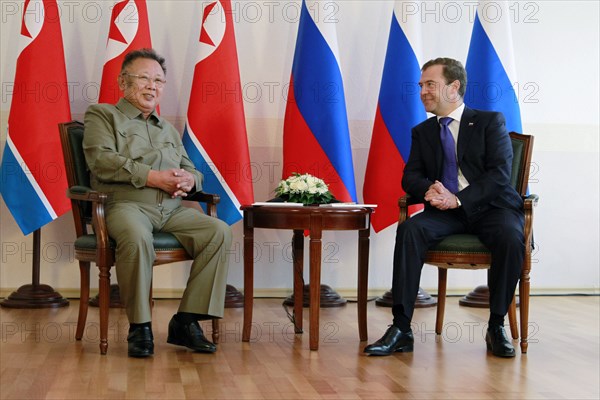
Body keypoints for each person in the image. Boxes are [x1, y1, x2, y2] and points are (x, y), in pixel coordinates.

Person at [364, 58, 524, 358]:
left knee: (511, 237)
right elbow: (409, 176)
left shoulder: (490, 122)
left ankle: (496, 325)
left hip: (492, 209)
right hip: (446, 214)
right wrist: (429, 189)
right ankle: (401, 328)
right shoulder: (423, 131)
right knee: (411, 230)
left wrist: (458, 198)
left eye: (430, 84)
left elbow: (500, 175)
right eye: (421, 85)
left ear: (454, 87)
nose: (423, 91)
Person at [83, 48, 232, 358]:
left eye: (159, 81)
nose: (152, 86)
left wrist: (191, 182)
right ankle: (140, 326)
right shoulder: (102, 115)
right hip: (125, 205)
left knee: (219, 232)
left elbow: (190, 169)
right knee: (137, 237)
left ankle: (186, 321)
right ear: (124, 81)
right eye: (144, 78)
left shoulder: (166, 129)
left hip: (170, 209)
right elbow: (102, 161)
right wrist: (153, 178)